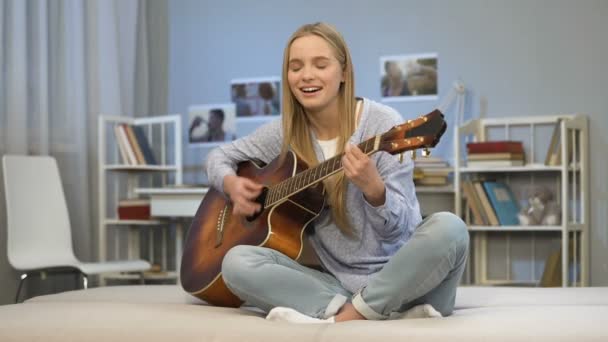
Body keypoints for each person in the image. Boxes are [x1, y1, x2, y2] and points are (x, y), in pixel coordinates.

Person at [206, 22, 468, 324]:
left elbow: (400, 232)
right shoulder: (285, 134)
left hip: (408, 280)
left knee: (451, 228)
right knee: (236, 262)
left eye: (320, 64)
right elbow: (219, 156)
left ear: (344, 72)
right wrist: (231, 184)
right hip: (338, 286)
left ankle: (349, 317)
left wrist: (375, 192)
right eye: (296, 67)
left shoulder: (383, 124)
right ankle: (368, 312)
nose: (306, 75)